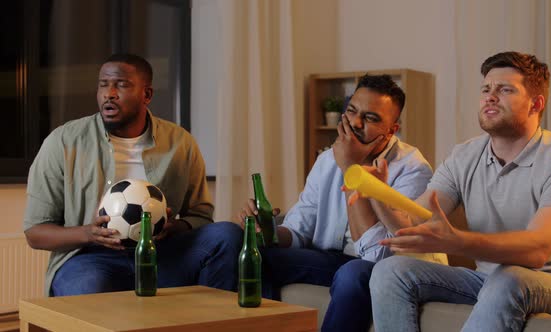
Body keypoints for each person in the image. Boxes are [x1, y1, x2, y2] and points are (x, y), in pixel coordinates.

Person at [365, 51, 551, 331]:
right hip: (488, 279)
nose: (490, 96)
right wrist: (379, 194)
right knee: (389, 271)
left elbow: (537, 250)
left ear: (536, 103)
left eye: (505, 89)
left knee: (511, 277)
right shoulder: (464, 156)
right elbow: (411, 224)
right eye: (486, 89)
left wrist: (457, 241)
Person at [236, 74, 446, 332]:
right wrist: (268, 229)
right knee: (258, 258)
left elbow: (375, 255)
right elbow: (299, 229)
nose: (355, 123)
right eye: (352, 111)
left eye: (370, 118)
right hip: (335, 259)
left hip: (388, 267)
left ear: (392, 129)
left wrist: (351, 168)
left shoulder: (413, 168)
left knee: (353, 273)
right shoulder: (327, 159)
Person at [23, 54, 243, 296]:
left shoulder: (180, 142)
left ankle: (211, 322)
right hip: (91, 258)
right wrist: (89, 234)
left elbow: (201, 216)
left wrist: (172, 227)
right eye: (103, 84)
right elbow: (35, 233)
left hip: (163, 255)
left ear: (146, 95)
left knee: (226, 235)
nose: (109, 93)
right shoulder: (63, 142)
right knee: (88, 287)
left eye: (121, 84)